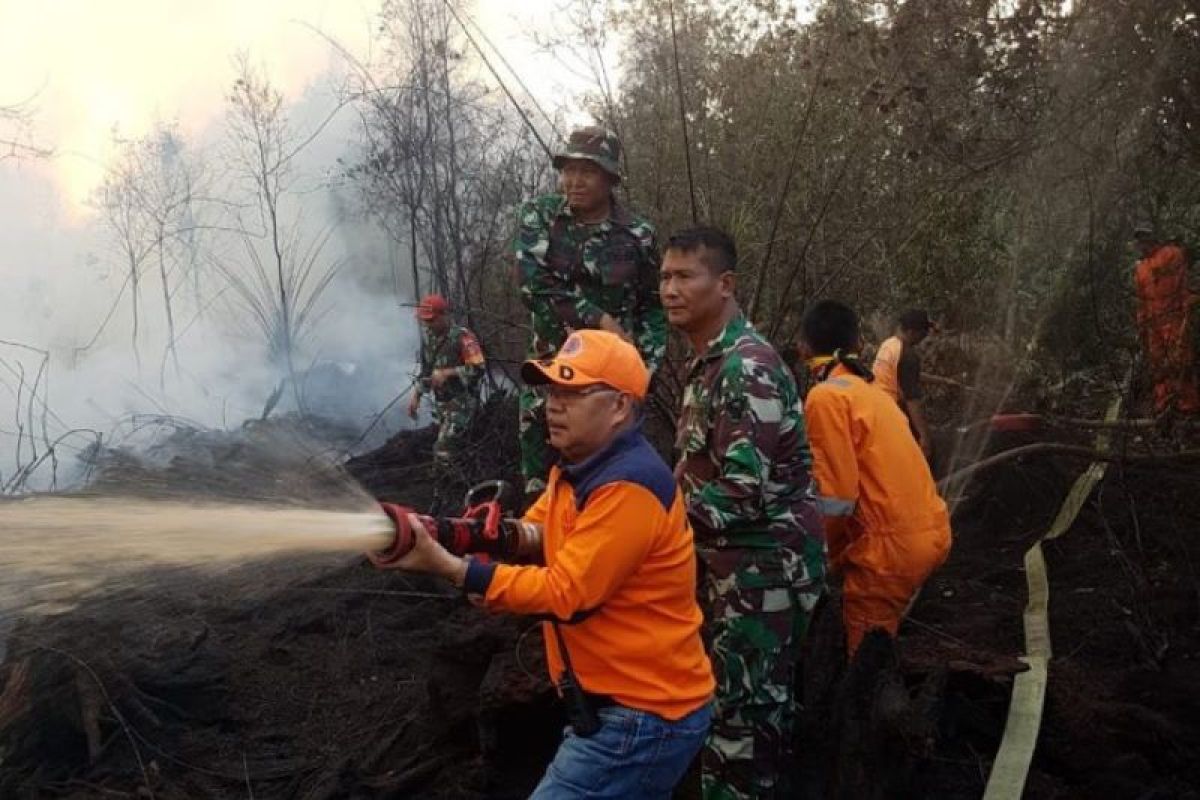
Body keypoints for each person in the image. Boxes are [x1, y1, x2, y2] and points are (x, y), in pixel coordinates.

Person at [381, 329, 714, 799]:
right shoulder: (578, 469)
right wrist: (467, 533)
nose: (553, 405)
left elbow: (567, 593)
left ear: (619, 406)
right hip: (621, 711)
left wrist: (454, 569)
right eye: (553, 391)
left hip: (642, 718)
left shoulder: (628, 486)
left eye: (573, 393)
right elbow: (539, 533)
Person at [662, 226, 825, 799]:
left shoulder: (745, 367)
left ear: (725, 284)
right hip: (735, 567)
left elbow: (740, 493)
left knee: (742, 718)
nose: (669, 290)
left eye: (685, 276)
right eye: (664, 277)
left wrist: (652, 530)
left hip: (764, 571)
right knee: (742, 708)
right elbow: (697, 471)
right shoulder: (708, 363)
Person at [512, 125, 667, 503]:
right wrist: (599, 319)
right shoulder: (541, 216)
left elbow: (653, 306)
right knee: (541, 490)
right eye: (568, 170)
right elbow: (534, 285)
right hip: (550, 374)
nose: (574, 181)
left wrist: (645, 367)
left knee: (611, 484)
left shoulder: (638, 235)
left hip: (608, 387)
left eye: (588, 171)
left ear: (610, 178)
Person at [800, 300, 951, 656]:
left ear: (804, 347)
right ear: (859, 345)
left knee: (865, 663)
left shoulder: (825, 397)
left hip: (890, 551)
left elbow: (835, 500)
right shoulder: (875, 396)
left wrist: (811, 561)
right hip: (931, 531)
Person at [407, 294, 486, 467]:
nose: (427, 325)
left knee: (443, 451)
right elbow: (427, 372)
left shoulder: (463, 337)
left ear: (443, 316)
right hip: (442, 407)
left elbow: (479, 368)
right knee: (452, 452)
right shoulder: (430, 340)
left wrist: (449, 373)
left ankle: (444, 489)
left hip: (462, 405)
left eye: (431, 320)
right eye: (425, 321)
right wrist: (416, 395)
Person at [1132, 222, 1199, 415]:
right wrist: (1141, 324)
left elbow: (1178, 280)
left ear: (1153, 238)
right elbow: (1141, 299)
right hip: (1154, 324)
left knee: (1180, 362)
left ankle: (1188, 406)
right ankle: (1165, 404)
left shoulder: (1171, 254)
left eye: (1144, 238)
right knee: (1158, 365)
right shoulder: (1140, 268)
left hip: (1175, 318)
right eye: (1139, 240)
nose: (1141, 243)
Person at [872, 309, 937, 458]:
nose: (925, 336)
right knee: (921, 453)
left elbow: (902, 374)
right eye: (923, 332)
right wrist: (924, 437)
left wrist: (944, 381)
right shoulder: (908, 355)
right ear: (911, 331)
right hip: (893, 414)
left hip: (877, 409)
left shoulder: (889, 345)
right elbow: (912, 400)